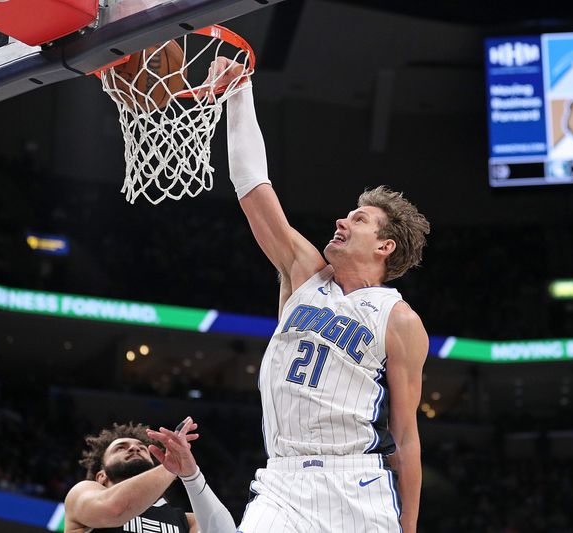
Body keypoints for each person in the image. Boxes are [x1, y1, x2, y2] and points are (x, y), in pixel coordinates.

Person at [209, 58, 431, 532]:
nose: (341, 221)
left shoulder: (400, 320)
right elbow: (252, 188)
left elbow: (406, 438)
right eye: (347, 213)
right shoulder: (303, 272)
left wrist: (409, 527)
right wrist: (239, 94)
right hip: (282, 480)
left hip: (358, 486)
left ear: (384, 246)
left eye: (359, 219)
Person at [64, 417, 236, 533]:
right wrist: (169, 468)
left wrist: (192, 477)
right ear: (101, 476)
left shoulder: (187, 520)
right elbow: (114, 509)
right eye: (121, 448)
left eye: (142, 448)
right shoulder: (81, 494)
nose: (134, 448)